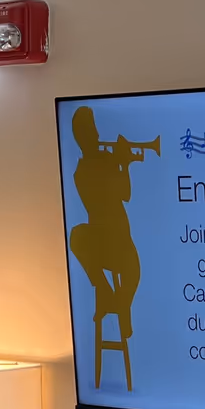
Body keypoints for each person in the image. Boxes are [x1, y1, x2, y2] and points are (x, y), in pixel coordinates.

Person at [68, 106, 155, 389]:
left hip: (121, 237)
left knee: (133, 274)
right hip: (102, 238)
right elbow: (108, 197)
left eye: (93, 129)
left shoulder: (105, 159)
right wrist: (120, 161)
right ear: (80, 137)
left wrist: (123, 163)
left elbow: (126, 194)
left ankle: (118, 303)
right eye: (88, 131)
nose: (94, 134)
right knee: (76, 236)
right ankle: (106, 293)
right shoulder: (81, 172)